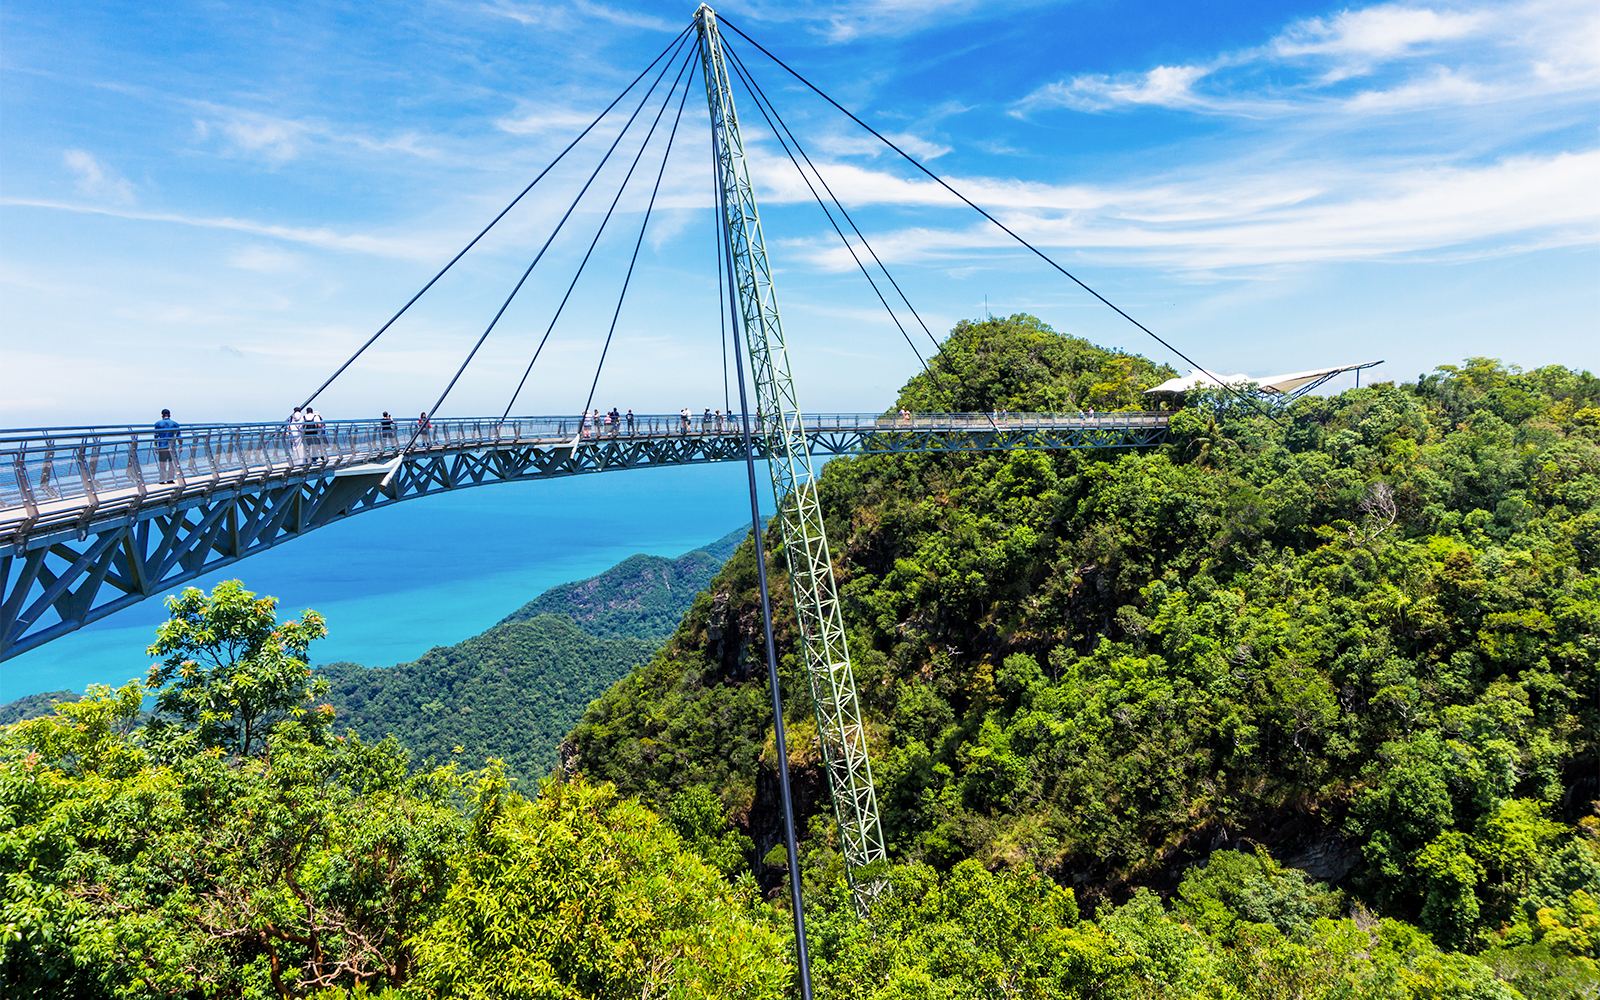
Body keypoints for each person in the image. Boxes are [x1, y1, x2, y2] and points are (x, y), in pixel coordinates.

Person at [154, 409, 180, 483]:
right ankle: (170, 479)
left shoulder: (158, 424)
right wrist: (180, 445)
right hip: (172, 446)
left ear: (162, 415)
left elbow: (156, 436)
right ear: (170, 415)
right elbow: (179, 436)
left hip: (162, 446)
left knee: (162, 463)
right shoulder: (175, 424)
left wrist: (156, 446)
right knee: (172, 463)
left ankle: (162, 479)